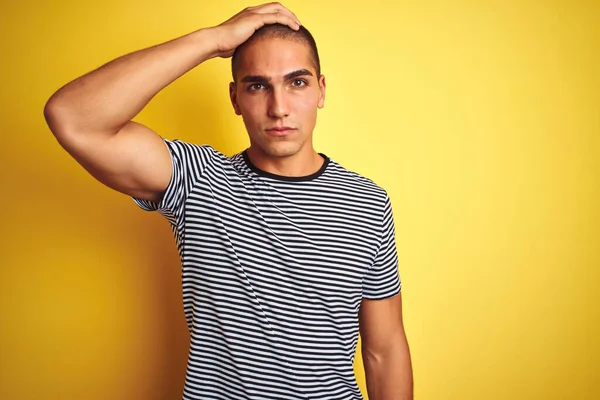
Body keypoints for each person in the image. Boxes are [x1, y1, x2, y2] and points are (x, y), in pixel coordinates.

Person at [44, 3, 413, 399]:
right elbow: (73, 117)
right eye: (257, 86)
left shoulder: (367, 200)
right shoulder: (197, 179)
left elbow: (385, 348)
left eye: (297, 83)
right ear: (235, 98)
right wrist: (213, 40)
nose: (279, 107)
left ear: (321, 89)